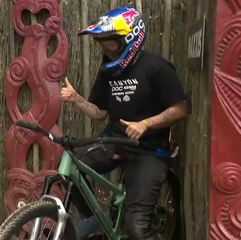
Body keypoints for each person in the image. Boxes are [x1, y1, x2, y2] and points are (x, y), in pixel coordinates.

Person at [61, 6, 187, 240]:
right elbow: (99, 113)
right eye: (101, 43)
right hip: (113, 140)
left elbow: (180, 110)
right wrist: (76, 98)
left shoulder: (157, 67)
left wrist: (146, 124)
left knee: (137, 228)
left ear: (129, 39)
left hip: (148, 150)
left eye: (110, 43)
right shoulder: (108, 72)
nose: (105, 50)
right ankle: (92, 218)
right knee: (70, 167)